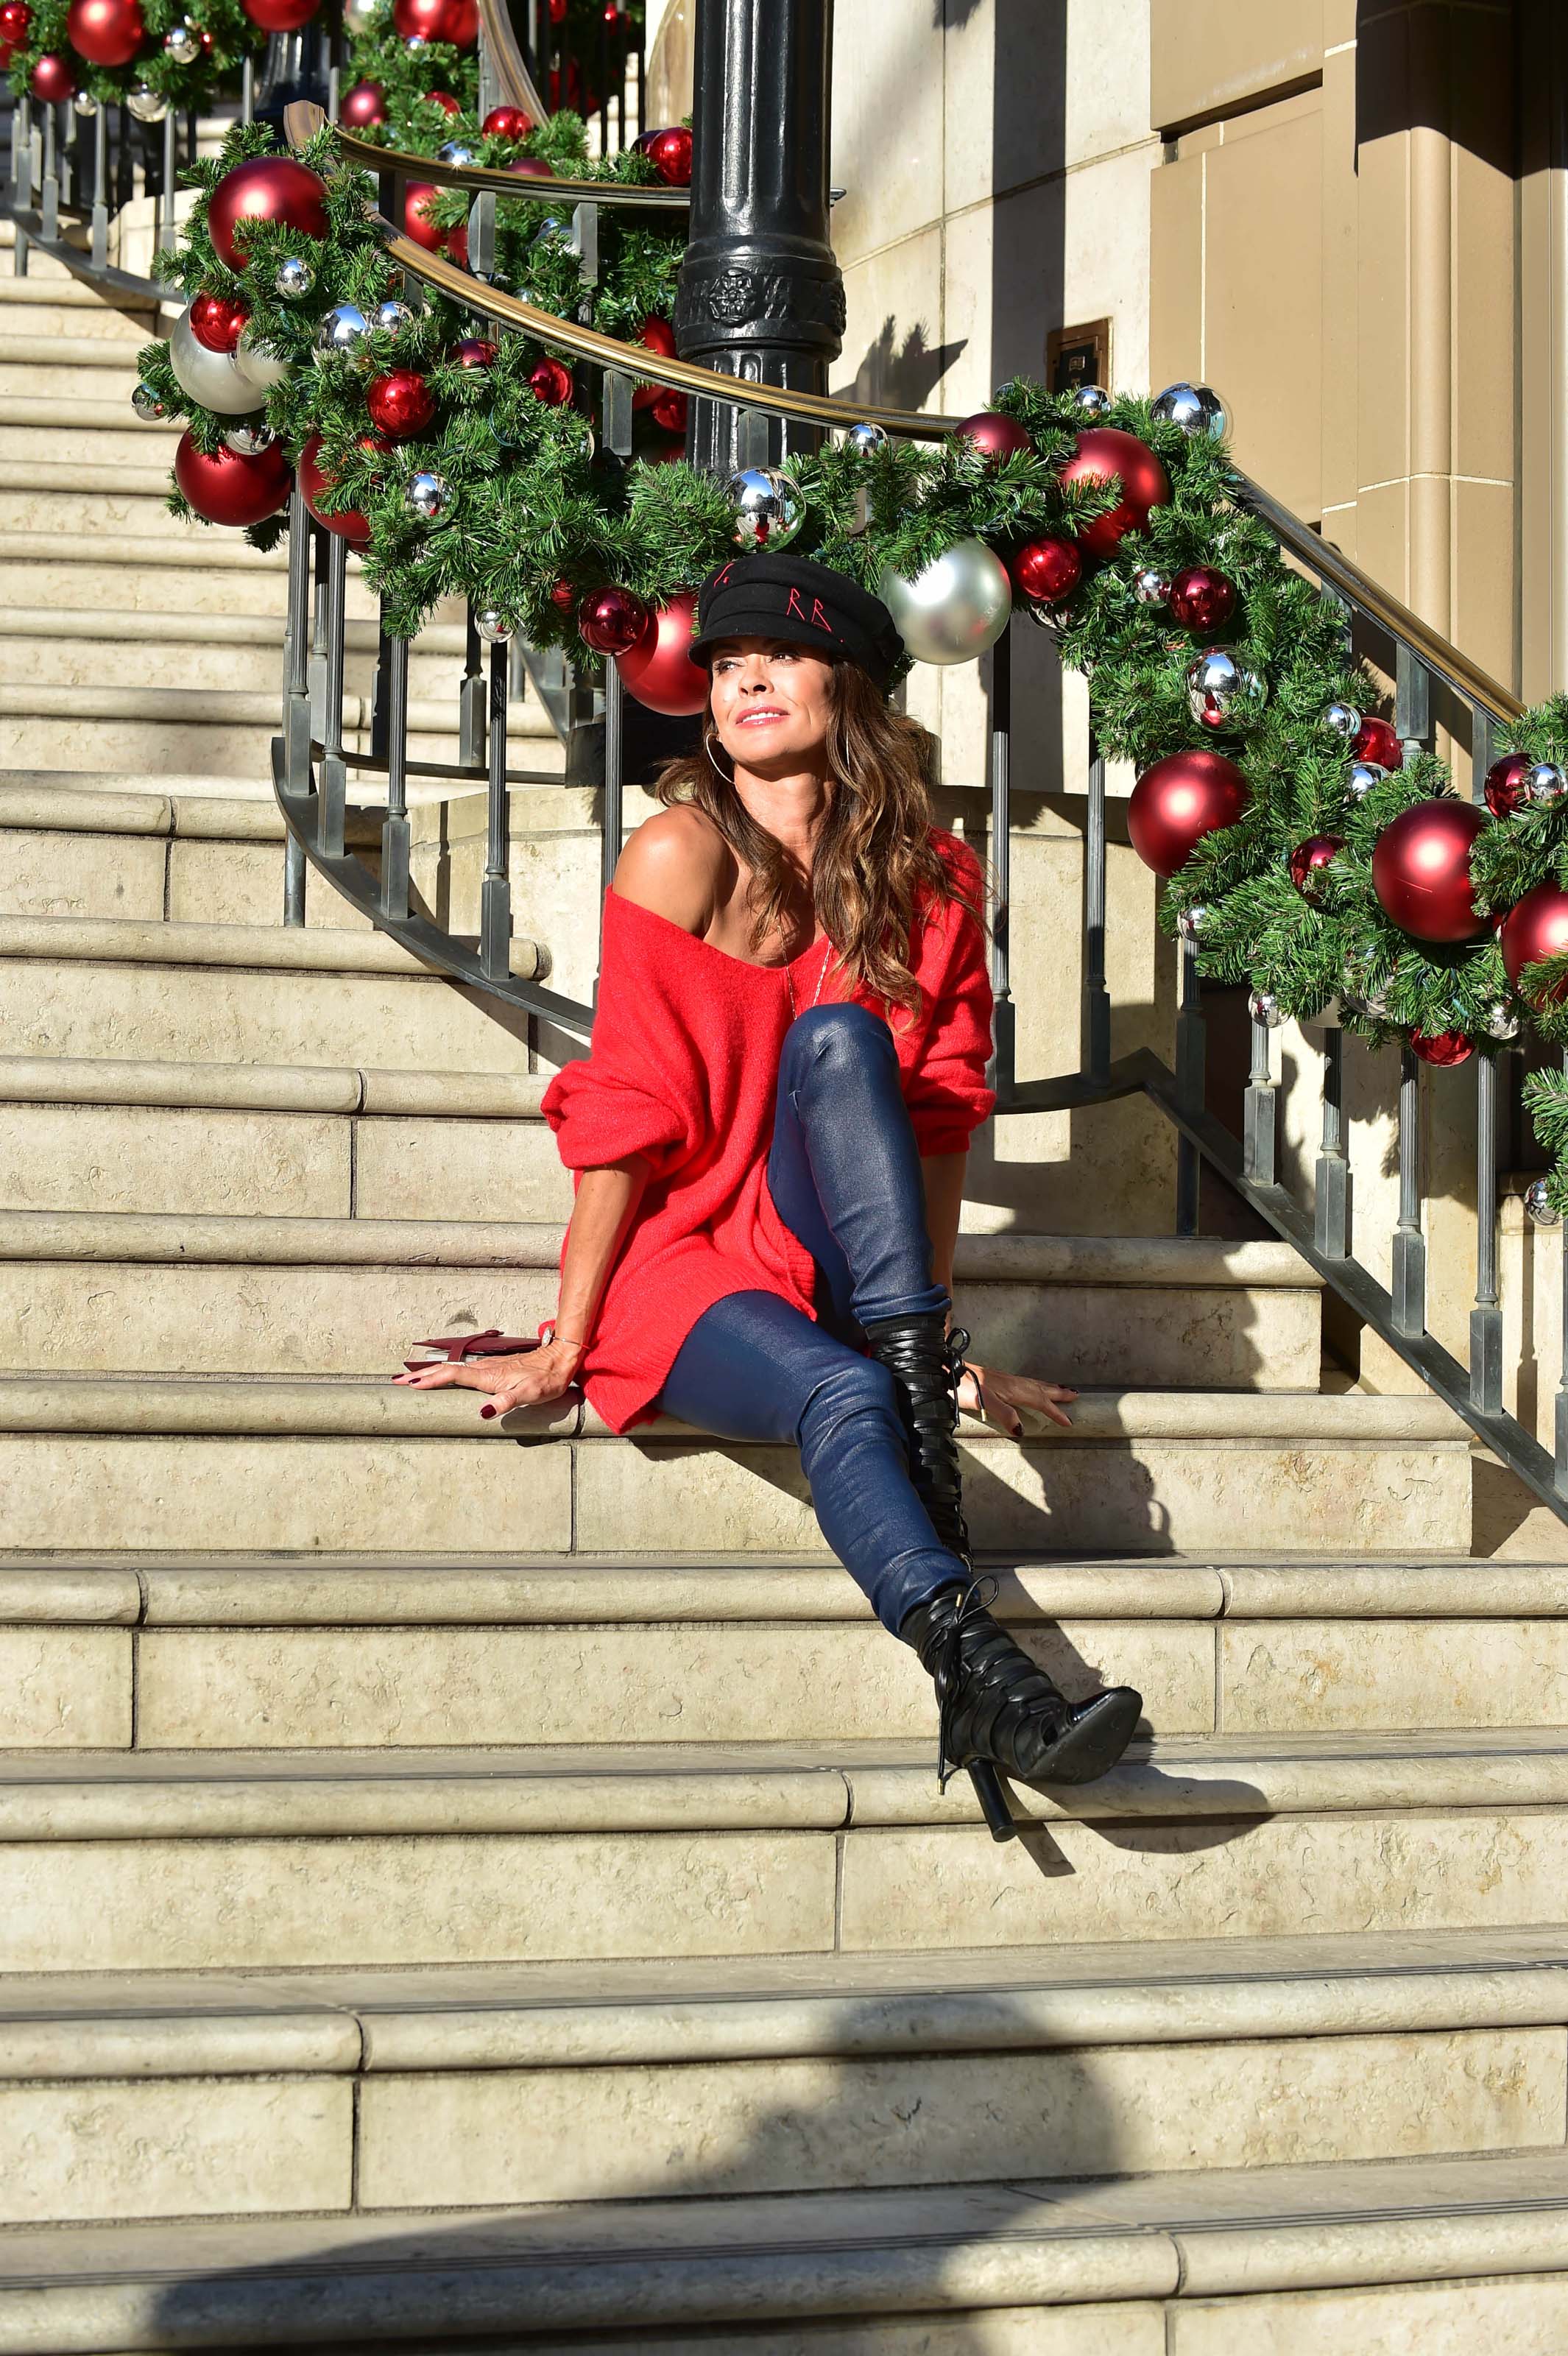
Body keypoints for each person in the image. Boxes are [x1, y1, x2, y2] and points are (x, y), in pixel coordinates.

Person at [396, 551, 1142, 1840]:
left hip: (840, 1256)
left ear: (846, 684)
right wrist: (570, 1338)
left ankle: (909, 1376)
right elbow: (625, 1112)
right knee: (841, 1391)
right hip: (692, 1261)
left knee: (845, 1043)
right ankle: (987, 1679)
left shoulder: (933, 880)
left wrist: (935, 1338)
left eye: (780, 658)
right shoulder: (678, 852)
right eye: (727, 665)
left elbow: (938, 1121)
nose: (746, 681)